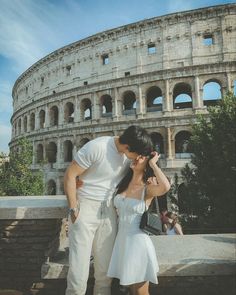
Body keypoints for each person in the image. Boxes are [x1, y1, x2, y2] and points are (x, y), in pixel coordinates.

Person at [64, 125, 154, 295]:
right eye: (137, 154)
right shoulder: (97, 147)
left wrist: (153, 159)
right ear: (128, 147)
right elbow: (70, 174)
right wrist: (73, 208)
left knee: (105, 270)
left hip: (109, 210)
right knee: (78, 268)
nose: (138, 158)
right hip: (85, 207)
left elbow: (146, 163)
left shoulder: (129, 156)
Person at [107, 151, 170, 295]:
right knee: (131, 291)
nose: (137, 158)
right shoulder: (123, 183)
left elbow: (165, 187)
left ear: (147, 165)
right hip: (121, 242)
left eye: (142, 158)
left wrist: (153, 164)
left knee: (141, 292)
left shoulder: (147, 189)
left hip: (137, 243)